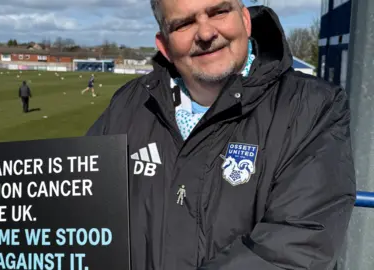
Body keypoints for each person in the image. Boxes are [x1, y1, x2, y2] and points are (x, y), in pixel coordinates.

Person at [87, 1, 356, 270]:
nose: (205, 33)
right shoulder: (129, 104)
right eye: (183, 24)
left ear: (245, 20)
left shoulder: (313, 108)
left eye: (218, 12)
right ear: (164, 46)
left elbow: (295, 249)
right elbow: (79, 208)